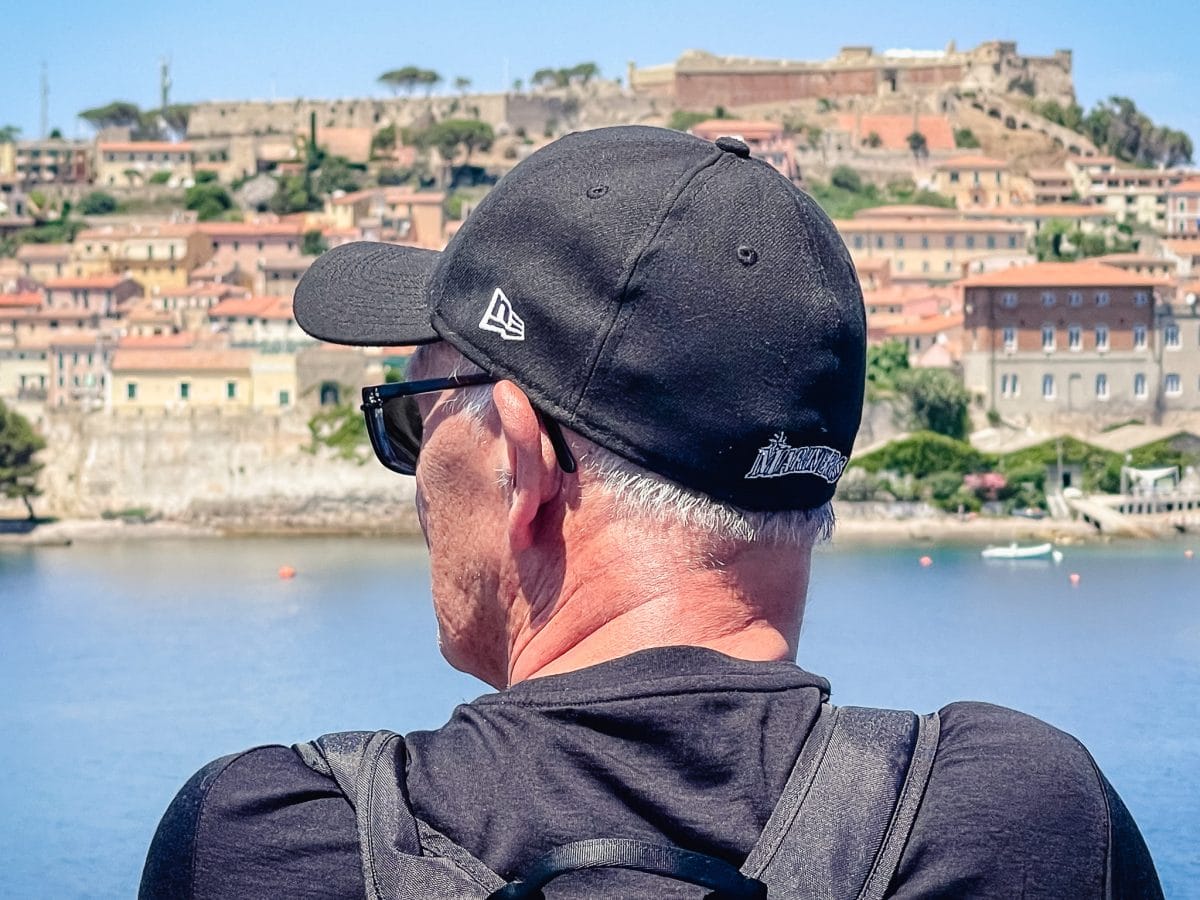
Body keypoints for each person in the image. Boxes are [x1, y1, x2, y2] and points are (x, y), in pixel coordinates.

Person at [140, 125, 1162, 898]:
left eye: (411, 421)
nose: (412, 479)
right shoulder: (1032, 827)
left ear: (524, 465)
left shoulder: (273, 842)